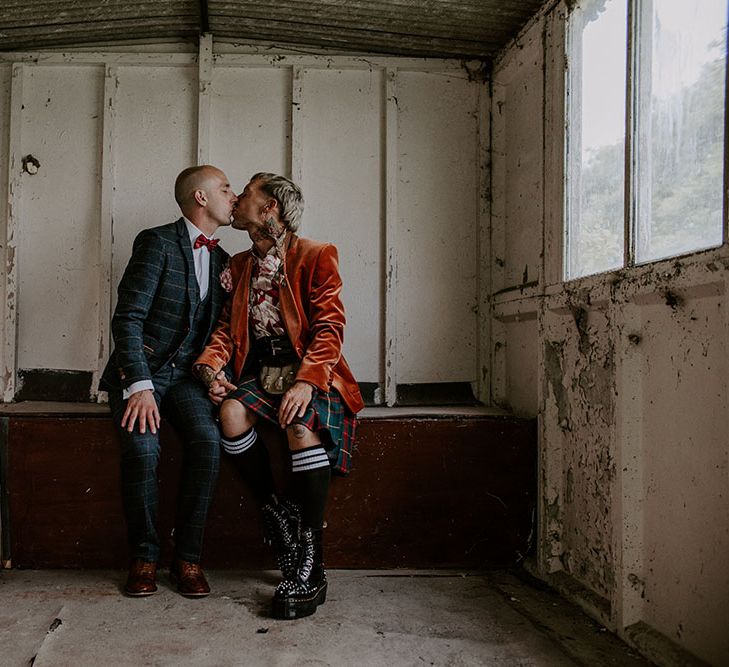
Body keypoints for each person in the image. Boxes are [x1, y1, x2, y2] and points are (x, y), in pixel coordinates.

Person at [193, 172, 364, 619]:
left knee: (299, 426)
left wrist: (307, 381)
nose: (237, 200)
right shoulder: (239, 265)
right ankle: (276, 513)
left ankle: (312, 561)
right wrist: (210, 366)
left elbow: (330, 327)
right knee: (230, 413)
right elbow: (228, 331)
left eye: (246, 193)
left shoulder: (316, 254)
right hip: (263, 371)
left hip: (312, 370)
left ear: (270, 207)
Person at [100, 165, 237, 598]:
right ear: (200, 197)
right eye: (226, 189)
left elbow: (220, 334)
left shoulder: (223, 261)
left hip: (188, 380)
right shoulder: (157, 242)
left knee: (208, 442)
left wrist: (216, 377)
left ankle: (188, 559)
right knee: (142, 449)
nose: (233, 196)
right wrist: (138, 385)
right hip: (143, 373)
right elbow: (128, 319)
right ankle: (144, 557)